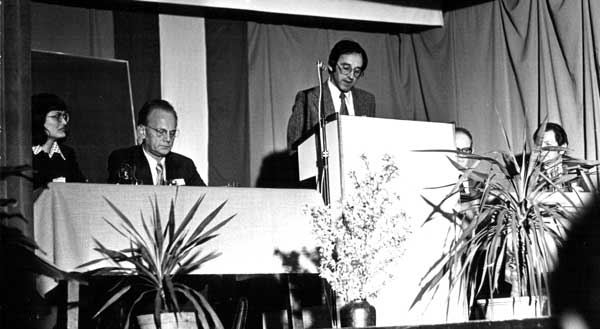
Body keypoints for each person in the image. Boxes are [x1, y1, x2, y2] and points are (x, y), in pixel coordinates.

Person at [286, 39, 376, 150]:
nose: (351, 76)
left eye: (357, 71)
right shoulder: (307, 98)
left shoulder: (367, 100)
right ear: (331, 66)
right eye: (346, 68)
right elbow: (293, 150)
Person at [107, 99, 206, 186]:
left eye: (172, 133)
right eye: (161, 132)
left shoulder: (185, 165)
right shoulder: (124, 160)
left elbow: (205, 199)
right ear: (142, 132)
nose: (168, 139)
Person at [32, 93, 86, 189]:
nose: (64, 122)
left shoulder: (67, 154)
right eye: (56, 117)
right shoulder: (22, 155)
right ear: (38, 118)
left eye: (65, 116)